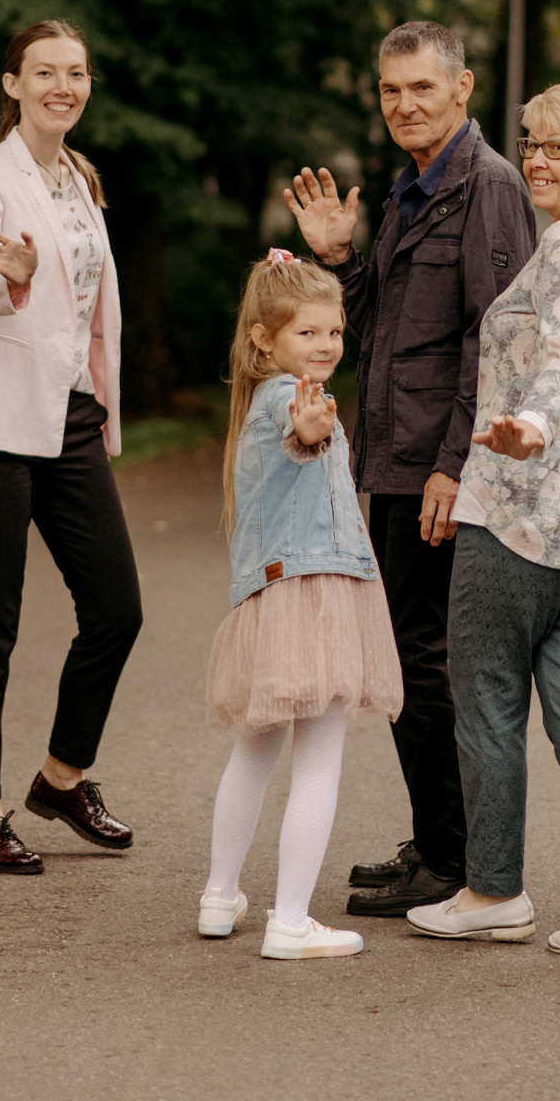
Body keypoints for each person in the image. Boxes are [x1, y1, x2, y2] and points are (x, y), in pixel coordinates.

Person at [282, 19, 536, 919]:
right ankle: (439, 844)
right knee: (407, 656)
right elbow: (380, 329)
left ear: (462, 89)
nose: (404, 105)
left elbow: (497, 339)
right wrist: (340, 260)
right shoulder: (407, 192)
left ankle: (459, 859)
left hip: (436, 466)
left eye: (422, 88)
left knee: (424, 659)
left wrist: (453, 465)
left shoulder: (488, 187)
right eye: (391, 91)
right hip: (391, 459)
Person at [405, 76, 560, 958]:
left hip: (525, 517)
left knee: (487, 701)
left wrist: (536, 422)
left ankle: (493, 890)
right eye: (533, 143)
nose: (538, 160)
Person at [0, 20, 143, 875]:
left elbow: (97, 313)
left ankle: (61, 777)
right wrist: (13, 273)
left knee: (117, 609)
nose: (64, 85)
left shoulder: (78, 179)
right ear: (12, 83)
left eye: (77, 73)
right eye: (45, 72)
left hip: (71, 417)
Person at [197, 252, 404, 959]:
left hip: (272, 597)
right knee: (320, 757)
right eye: (307, 334)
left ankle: (221, 898)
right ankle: (289, 921)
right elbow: (301, 436)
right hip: (312, 600)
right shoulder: (290, 402)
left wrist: (309, 427)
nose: (326, 347)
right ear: (264, 339)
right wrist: (312, 431)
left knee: (254, 751)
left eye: (335, 333)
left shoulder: (262, 400)